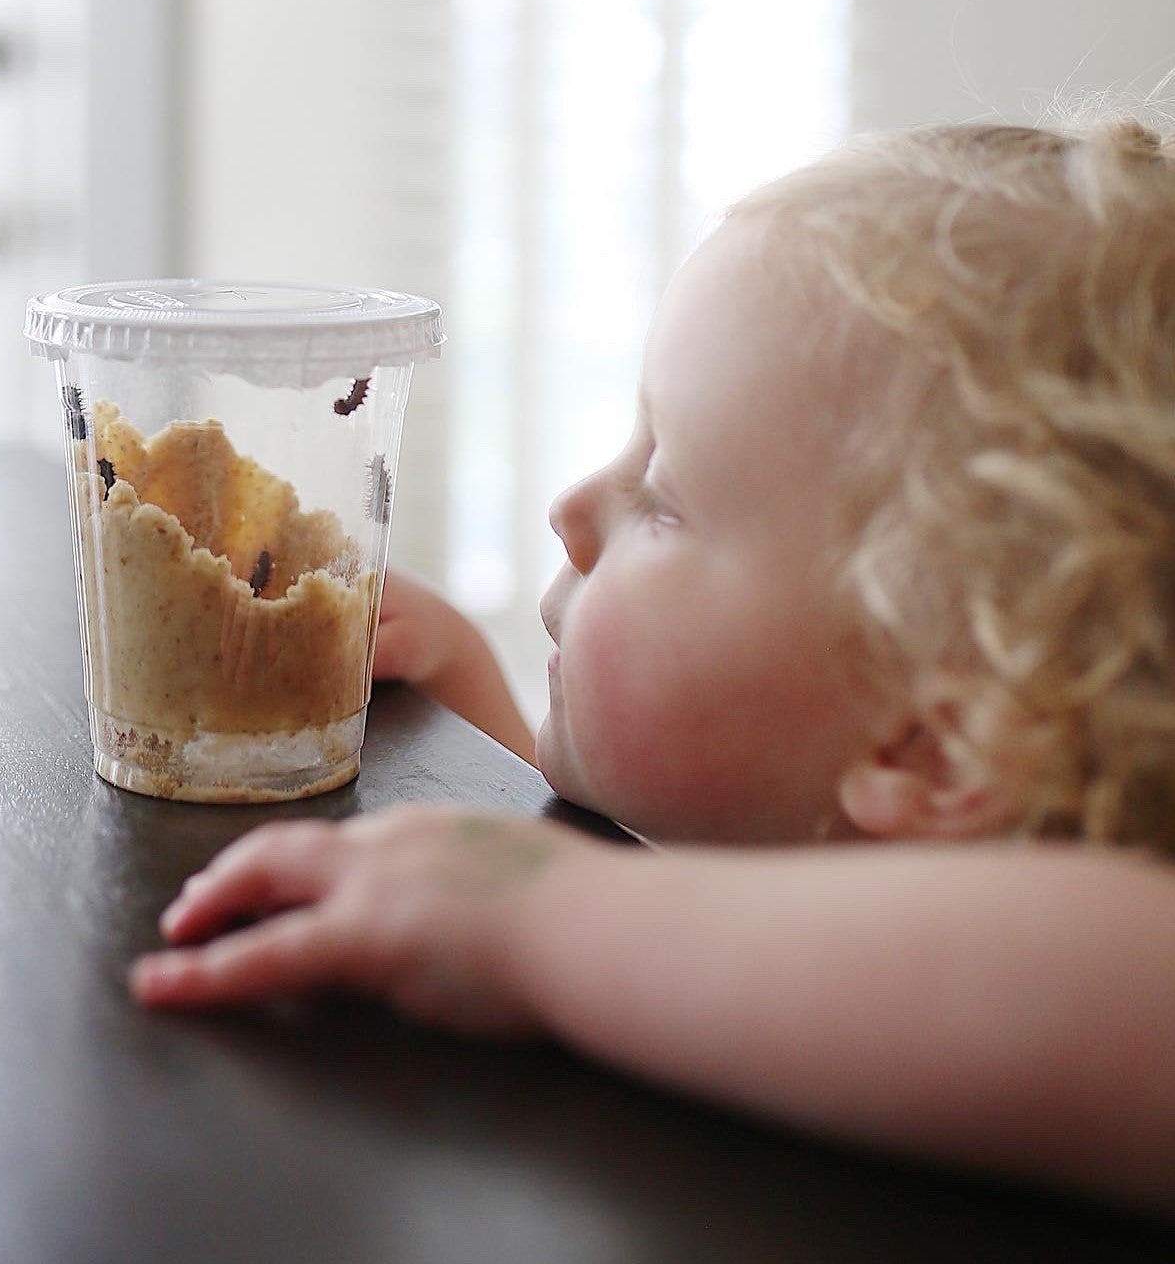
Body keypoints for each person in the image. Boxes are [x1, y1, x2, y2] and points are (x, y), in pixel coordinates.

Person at [129, 119, 1175, 1216]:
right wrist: (467, 709)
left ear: (934, 745)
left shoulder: (1088, 998)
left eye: (665, 496)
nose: (573, 507)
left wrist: (537, 912)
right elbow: (640, 848)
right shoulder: (772, 814)